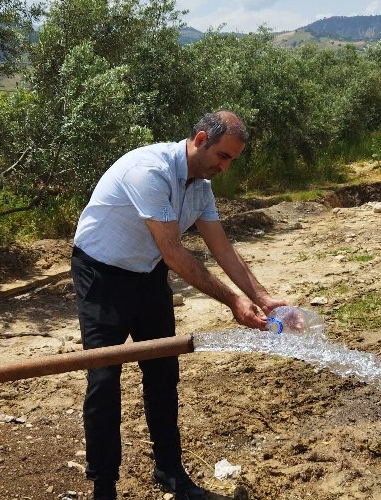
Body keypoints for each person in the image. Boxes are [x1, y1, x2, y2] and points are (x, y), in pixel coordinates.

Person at [71, 110, 286, 500]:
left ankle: (170, 472)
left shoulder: (200, 185)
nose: (225, 166)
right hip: (102, 276)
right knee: (103, 380)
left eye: (232, 160)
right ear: (201, 139)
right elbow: (173, 252)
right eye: (223, 156)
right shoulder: (148, 170)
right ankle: (103, 487)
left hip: (147, 276)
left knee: (163, 372)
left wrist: (261, 297)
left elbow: (220, 246)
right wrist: (232, 301)